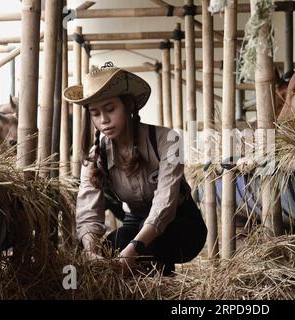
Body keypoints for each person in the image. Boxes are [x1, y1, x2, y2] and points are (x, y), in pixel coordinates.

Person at [63, 62, 207, 275]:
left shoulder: (167, 140)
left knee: (148, 246)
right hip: (136, 219)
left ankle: (163, 286)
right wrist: (92, 252)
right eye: (95, 113)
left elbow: (164, 205)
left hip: (180, 223)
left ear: (129, 105)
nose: (103, 120)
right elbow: (88, 214)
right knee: (111, 247)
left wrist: (134, 249)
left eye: (110, 109)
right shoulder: (96, 156)